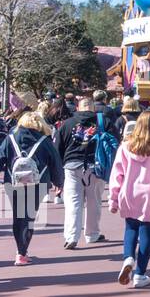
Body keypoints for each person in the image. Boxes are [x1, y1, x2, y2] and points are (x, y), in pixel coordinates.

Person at [108, 111, 150, 289]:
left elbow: (116, 174)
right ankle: (140, 274)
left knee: (131, 228)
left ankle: (128, 257)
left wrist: (113, 199)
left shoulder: (125, 147)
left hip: (129, 192)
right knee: (147, 233)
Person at [0, 109, 63, 266]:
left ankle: (20, 250)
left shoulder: (10, 138)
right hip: (38, 183)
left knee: (18, 216)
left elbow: (0, 159)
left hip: (13, 183)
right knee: (29, 217)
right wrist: (58, 182)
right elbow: (55, 163)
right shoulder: (44, 141)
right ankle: (22, 252)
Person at [54, 96, 109, 248]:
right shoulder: (102, 121)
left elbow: (58, 148)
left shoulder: (67, 124)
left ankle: (71, 236)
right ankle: (92, 234)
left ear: (78, 108)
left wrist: (57, 173)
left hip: (71, 166)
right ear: (93, 108)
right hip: (95, 166)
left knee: (73, 203)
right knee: (94, 202)